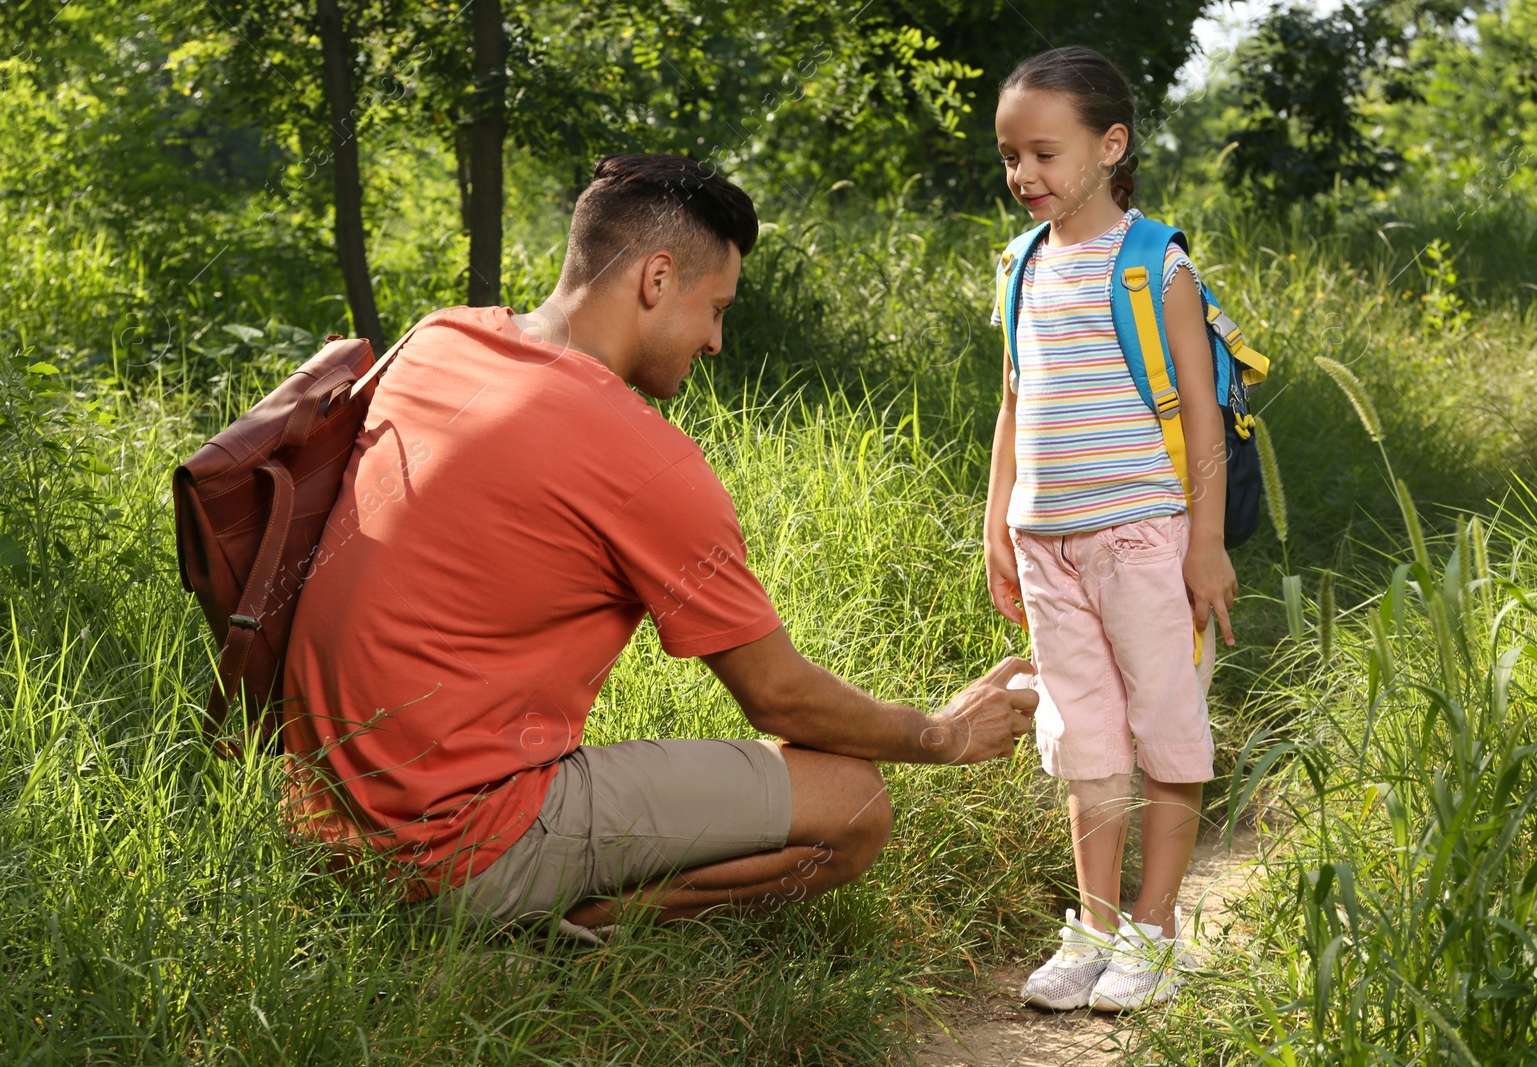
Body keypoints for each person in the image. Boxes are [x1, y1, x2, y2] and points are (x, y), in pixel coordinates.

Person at [281, 153, 1038, 941]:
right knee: (852, 803)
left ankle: (515, 899)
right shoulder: (644, 459)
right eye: (716, 308)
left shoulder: (438, 341)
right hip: (451, 850)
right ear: (656, 278)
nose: (715, 341)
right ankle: (565, 925)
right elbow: (778, 696)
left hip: (316, 826)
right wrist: (943, 734)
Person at [983, 48, 1237, 1011]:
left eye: (1044, 153)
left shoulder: (1154, 265)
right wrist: (999, 520)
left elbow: (1203, 414)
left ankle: (1156, 930)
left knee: (1165, 728)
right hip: (1047, 542)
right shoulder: (1020, 266)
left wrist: (1205, 544)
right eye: (1011, 157)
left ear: (1111, 144)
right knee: (1084, 736)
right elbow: (1012, 399)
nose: (1024, 176)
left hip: (1142, 538)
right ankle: (1092, 929)